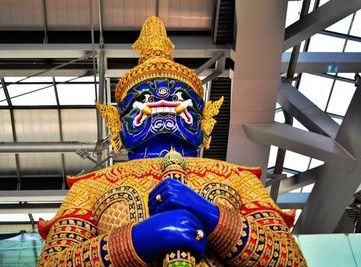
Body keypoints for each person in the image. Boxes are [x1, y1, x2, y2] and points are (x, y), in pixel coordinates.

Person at [37, 16, 307, 267]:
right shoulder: (91, 187)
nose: (163, 99)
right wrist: (135, 241)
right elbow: (53, 263)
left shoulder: (238, 178)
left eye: (179, 95)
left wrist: (214, 217)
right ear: (116, 124)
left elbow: (291, 260)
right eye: (142, 98)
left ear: (205, 120)